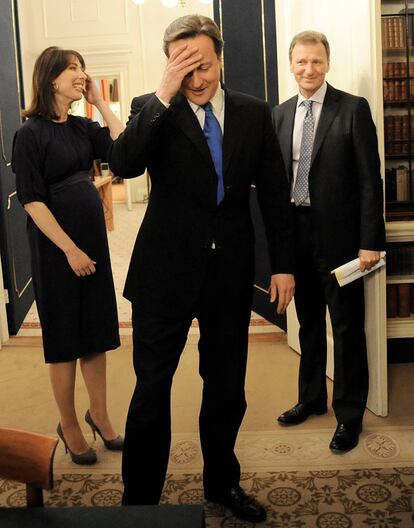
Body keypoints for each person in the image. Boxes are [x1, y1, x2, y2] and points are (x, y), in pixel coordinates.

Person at [108, 14, 294, 523]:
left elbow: (275, 195)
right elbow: (122, 164)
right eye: (184, 68)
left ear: (221, 58)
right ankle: (139, 502)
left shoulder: (253, 113)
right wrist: (162, 94)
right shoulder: (152, 108)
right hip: (163, 272)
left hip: (229, 272)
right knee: (151, 390)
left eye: (204, 66)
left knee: (227, 385)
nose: (197, 79)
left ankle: (223, 483)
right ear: (170, 66)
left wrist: (282, 266)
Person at [272, 31, 386, 452]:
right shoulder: (279, 115)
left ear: (328, 63)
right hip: (296, 235)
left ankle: (349, 414)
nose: (309, 69)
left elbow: (369, 181)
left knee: (347, 328)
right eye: (301, 62)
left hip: (341, 243)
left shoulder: (353, 109)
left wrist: (369, 241)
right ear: (290, 64)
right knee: (307, 324)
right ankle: (311, 399)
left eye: (316, 61)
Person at [12, 46, 125, 465]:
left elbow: (122, 149)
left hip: (91, 240)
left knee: (96, 332)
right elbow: (32, 200)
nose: (81, 74)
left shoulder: (82, 126)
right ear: (51, 79)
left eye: (82, 68)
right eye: (73, 69)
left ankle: (100, 415)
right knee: (63, 339)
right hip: (57, 246)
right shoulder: (30, 134)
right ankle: (69, 425)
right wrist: (70, 248)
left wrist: (100, 102)